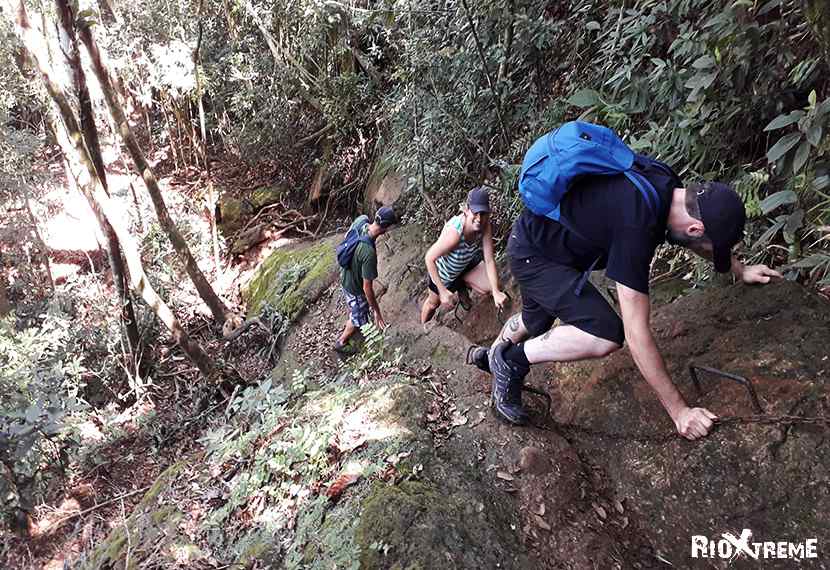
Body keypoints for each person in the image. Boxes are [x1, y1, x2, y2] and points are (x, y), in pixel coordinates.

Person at [471, 169, 781, 439]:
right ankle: (511, 361)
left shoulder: (664, 184)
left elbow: (692, 237)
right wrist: (679, 412)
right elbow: (636, 335)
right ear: (696, 228)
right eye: (707, 242)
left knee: (535, 321)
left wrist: (739, 269)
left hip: (539, 239)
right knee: (606, 333)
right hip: (538, 255)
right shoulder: (636, 228)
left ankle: (490, 356)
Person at [421, 187, 508, 325]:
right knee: (433, 304)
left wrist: (496, 292)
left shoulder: (485, 225)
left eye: (483, 213)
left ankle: (462, 284)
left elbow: (489, 259)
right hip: (445, 274)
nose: (479, 218)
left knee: (493, 285)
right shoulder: (454, 234)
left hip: (465, 264)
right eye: (475, 212)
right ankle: (422, 329)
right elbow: (429, 258)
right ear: (466, 210)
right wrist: (442, 291)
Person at [335, 206, 398, 353]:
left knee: (356, 306)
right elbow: (366, 288)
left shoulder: (361, 220)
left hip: (345, 273)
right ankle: (341, 342)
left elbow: (347, 238)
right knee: (358, 316)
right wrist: (376, 311)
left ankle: (353, 311)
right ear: (385, 229)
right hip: (353, 287)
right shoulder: (368, 253)